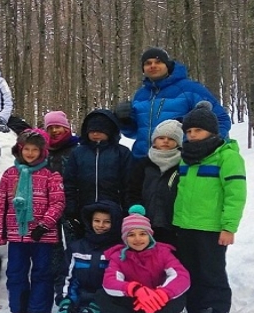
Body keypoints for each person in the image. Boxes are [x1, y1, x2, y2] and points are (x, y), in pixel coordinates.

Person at [174, 101, 247, 313]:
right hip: (185, 226)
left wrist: (229, 227)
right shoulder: (185, 158)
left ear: (212, 132)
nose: (192, 135)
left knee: (211, 273)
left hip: (211, 228)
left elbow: (235, 194)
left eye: (198, 131)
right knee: (190, 272)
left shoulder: (227, 157)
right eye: (189, 131)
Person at [0, 129, 64, 313]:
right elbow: (0, 203)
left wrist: (45, 224)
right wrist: (1, 232)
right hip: (17, 234)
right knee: (16, 272)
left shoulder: (51, 174)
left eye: (35, 149)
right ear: (20, 149)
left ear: (42, 152)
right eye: (27, 149)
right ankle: (18, 307)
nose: (30, 153)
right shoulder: (10, 174)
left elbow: (58, 203)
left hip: (42, 234)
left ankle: (38, 308)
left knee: (42, 272)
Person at [113, 47, 231, 159]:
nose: (153, 66)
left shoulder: (190, 89)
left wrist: (204, 148)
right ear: (143, 69)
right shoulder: (140, 95)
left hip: (181, 161)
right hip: (143, 162)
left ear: (167, 65)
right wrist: (125, 123)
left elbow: (221, 119)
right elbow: (136, 133)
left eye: (158, 62)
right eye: (148, 63)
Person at [97, 205, 190, 313]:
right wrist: (135, 290)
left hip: (158, 301)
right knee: (102, 294)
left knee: (178, 295)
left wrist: (163, 293)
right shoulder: (118, 256)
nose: (137, 239)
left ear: (149, 235)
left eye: (142, 234)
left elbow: (181, 276)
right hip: (133, 301)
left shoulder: (162, 252)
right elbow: (109, 281)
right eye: (131, 235)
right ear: (125, 238)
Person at [43, 200, 123, 313]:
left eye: (106, 222)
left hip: (102, 304)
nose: (100, 225)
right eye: (96, 221)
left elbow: (118, 285)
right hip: (77, 301)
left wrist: (99, 306)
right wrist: (66, 302)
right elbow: (66, 277)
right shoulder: (77, 247)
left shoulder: (119, 250)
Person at [63, 109, 131, 239]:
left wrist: (127, 208)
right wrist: (71, 208)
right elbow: (69, 183)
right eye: (92, 130)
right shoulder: (78, 153)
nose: (95, 134)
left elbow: (129, 184)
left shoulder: (122, 153)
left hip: (114, 210)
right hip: (84, 209)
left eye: (100, 130)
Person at [126, 119, 183, 246]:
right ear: (154, 140)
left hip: (173, 226)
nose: (166, 141)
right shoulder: (143, 164)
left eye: (171, 138)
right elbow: (132, 190)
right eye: (161, 137)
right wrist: (136, 210)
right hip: (145, 225)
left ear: (178, 142)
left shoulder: (183, 165)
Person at [43, 110, 81, 301]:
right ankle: (59, 288)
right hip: (49, 207)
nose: (55, 131)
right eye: (50, 128)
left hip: (72, 205)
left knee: (74, 245)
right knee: (54, 248)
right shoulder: (44, 151)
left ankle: (75, 284)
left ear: (66, 127)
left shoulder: (77, 148)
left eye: (58, 127)